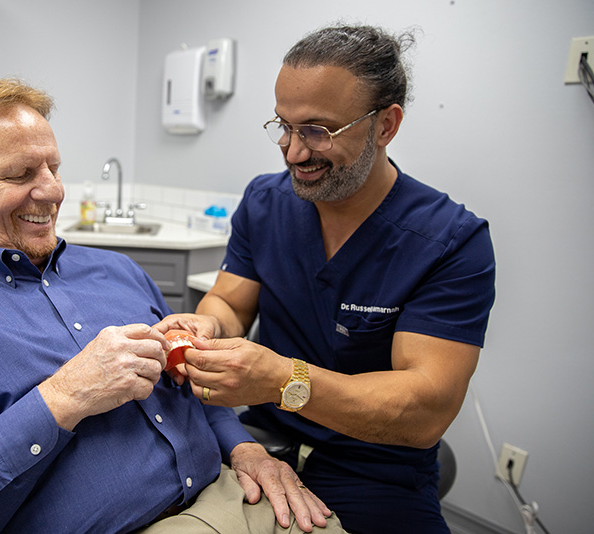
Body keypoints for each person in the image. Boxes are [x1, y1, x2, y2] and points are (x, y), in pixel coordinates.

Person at [0, 77, 346, 534]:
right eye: (20, 174)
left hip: (239, 495)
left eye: (53, 167)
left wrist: (243, 447)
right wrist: (61, 399)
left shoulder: (118, 272)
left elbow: (185, 391)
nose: (52, 191)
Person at [156, 25, 496, 534]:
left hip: (377, 469)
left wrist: (280, 379)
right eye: (283, 126)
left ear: (386, 125)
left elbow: (424, 412)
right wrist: (205, 327)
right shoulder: (266, 203)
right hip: (262, 440)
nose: (294, 152)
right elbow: (230, 303)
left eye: (318, 130)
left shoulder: (449, 241)